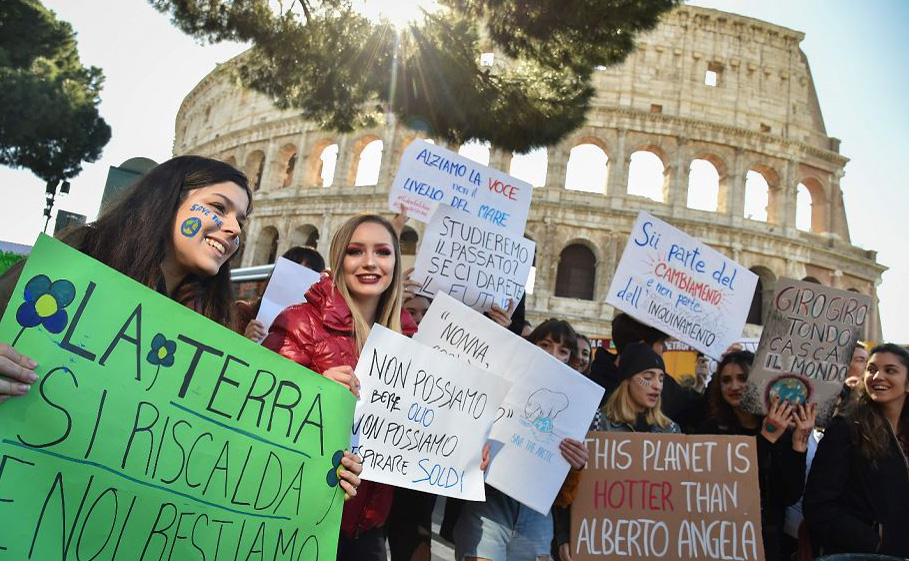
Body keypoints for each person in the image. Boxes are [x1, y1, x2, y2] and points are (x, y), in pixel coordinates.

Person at [0, 155, 362, 492]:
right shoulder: (83, 253)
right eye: (219, 207)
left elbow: (229, 429)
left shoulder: (214, 320)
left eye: (242, 219)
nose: (234, 228)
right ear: (169, 200)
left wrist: (311, 406)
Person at [262, 213, 416, 561]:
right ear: (338, 259)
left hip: (369, 529)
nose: (370, 263)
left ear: (395, 262)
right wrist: (312, 394)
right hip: (299, 519)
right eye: (355, 251)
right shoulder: (300, 322)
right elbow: (260, 413)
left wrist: (466, 450)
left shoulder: (410, 343)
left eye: (383, 252)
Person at [452, 319, 589, 561]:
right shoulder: (499, 381)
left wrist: (576, 466)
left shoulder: (575, 410)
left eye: (563, 351)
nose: (552, 355)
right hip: (489, 505)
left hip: (537, 517)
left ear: (571, 359)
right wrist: (474, 453)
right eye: (545, 344)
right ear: (530, 346)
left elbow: (564, 496)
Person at [696, 350, 814, 561]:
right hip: (720, 540)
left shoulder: (783, 430)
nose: (734, 386)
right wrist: (765, 439)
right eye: (726, 380)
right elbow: (725, 486)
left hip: (768, 545)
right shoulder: (711, 429)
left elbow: (790, 495)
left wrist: (798, 444)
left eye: (743, 378)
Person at [803, 343, 909, 557]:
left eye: (890, 370)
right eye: (871, 369)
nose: (877, 376)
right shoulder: (846, 428)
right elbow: (819, 505)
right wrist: (873, 541)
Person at [237, 245, 325, 341]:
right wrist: (244, 342)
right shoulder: (242, 313)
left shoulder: (318, 335)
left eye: (308, 270)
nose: (297, 276)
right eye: (294, 266)